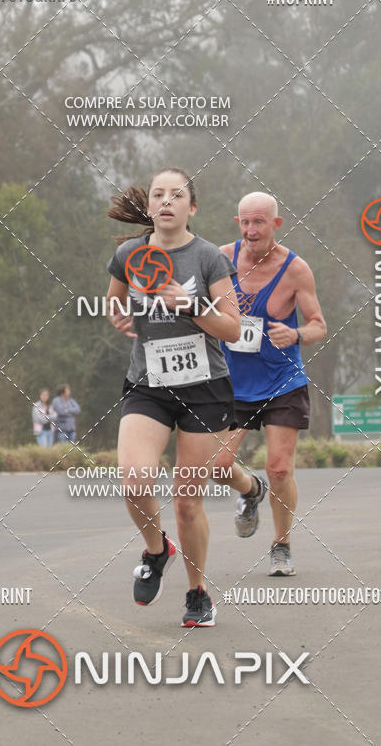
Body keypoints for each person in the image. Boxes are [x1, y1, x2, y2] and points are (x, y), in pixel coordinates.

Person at [106, 167, 264, 627]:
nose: (166, 201)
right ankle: (157, 551)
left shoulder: (208, 257)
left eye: (177, 195)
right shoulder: (129, 254)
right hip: (148, 384)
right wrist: (118, 315)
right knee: (135, 481)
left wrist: (190, 305)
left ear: (191, 207)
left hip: (205, 388)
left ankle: (198, 593)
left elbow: (232, 328)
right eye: (158, 194)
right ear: (149, 206)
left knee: (186, 500)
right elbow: (113, 300)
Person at [214, 191, 327, 576]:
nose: (251, 230)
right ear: (237, 223)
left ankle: (281, 545)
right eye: (245, 222)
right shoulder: (220, 260)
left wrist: (296, 335)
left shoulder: (295, 269)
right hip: (233, 384)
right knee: (218, 465)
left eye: (259, 222)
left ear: (276, 224)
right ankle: (251, 490)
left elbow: (319, 325)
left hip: (282, 382)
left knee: (280, 469)